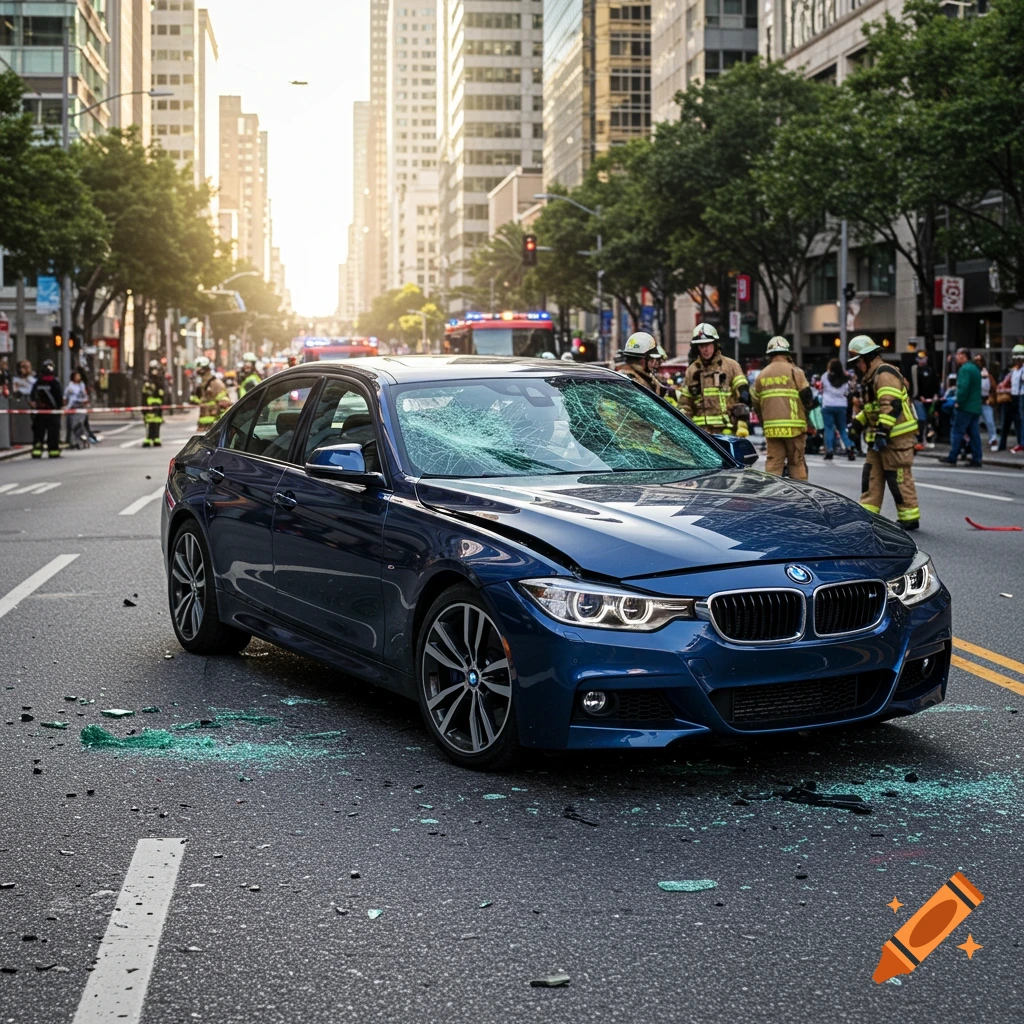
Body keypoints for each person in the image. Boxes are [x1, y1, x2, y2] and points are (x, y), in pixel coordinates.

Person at [848, 336, 920, 529]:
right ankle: (868, 515)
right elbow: (873, 408)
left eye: (858, 362)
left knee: (898, 477)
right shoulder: (873, 376)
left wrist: (883, 432)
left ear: (866, 358)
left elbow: (891, 405)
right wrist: (858, 424)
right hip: (881, 436)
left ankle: (909, 518)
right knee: (871, 475)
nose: (857, 367)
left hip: (896, 437)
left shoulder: (884, 373)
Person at [751, 336, 814, 479]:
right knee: (796, 463)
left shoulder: (761, 375)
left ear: (769, 355)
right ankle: (801, 496)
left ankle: (771, 496)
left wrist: (763, 421)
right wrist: (807, 418)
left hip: (772, 429)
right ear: (787, 354)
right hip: (794, 428)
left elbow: (755, 402)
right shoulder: (795, 371)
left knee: (773, 464)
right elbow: (807, 397)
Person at [680, 323, 750, 436]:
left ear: (715, 344)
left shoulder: (731, 366)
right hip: (701, 432)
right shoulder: (691, 370)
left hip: (727, 430)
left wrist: (742, 422)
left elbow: (743, 395)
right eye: (701, 346)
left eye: (708, 345)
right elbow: (685, 403)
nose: (705, 350)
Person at [942, 348, 983, 467]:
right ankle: (977, 458)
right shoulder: (975, 368)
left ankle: (953, 456)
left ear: (964, 355)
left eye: (958, 355)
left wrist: (958, 401)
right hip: (975, 406)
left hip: (965, 407)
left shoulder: (965, 369)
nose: (956, 357)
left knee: (957, 431)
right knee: (974, 434)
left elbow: (963, 388)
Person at [821, 358, 855, 461]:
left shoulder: (825, 377)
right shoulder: (845, 378)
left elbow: (822, 388)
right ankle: (849, 447)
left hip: (828, 405)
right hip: (841, 405)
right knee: (842, 429)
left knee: (829, 428)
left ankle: (829, 450)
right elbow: (846, 391)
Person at [618, 332, 670, 398]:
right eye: (651, 360)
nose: (654, 364)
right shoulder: (630, 381)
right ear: (642, 360)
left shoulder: (643, 377)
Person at [29, 359, 63, 459]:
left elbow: (32, 397)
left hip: (40, 413)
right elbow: (59, 398)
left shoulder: (38, 382)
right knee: (53, 433)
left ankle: (37, 451)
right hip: (53, 413)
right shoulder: (55, 383)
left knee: (38, 433)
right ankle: (53, 451)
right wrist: (59, 409)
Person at [189, 356, 232, 430]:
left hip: (214, 422)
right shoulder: (203, 384)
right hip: (205, 423)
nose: (196, 370)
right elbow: (203, 401)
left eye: (198, 368)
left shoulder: (215, 383)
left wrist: (221, 422)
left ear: (203, 369)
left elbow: (224, 403)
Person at [996, 344, 1024, 453]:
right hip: (1012, 398)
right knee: (1007, 424)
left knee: (1019, 422)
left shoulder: (1018, 370)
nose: (1017, 361)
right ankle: (1003, 445)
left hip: (1018, 397)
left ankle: (1021, 443)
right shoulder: (1013, 371)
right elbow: (1004, 383)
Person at [909, 349, 938, 449]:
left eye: (924, 358)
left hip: (930, 399)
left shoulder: (930, 370)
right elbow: (913, 384)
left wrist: (935, 394)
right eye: (920, 358)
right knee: (921, 419)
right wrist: (917, 395)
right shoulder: (914, 370)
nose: (922, 361)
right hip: (918, 399)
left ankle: (926, 438)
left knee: (929, 419)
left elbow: (935, 383)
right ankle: (920, 439)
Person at [974, 355, 998, 452]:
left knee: (990, 421)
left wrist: (991, 397)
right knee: (974, 423)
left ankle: (993, 439)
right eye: (977, 361)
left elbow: (993, 386)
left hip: (985, 400)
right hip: (975, 401)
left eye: (980, 361)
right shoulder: (973, 372)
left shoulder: (987, 374)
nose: (979, 363)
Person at [142, 359, 167, 447]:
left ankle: (156, 438)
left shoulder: (160, 380)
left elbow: (162, 393)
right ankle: (148, 439)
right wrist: (143, 407)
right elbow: (144, 394)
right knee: (148, 423)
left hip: (157, 406)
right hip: (148, 406)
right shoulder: (147, 380)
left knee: (157, 422)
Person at [63, 370, 90, 448]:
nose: (78, 377)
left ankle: (82, 440)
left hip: (80, 407)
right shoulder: (70, 387)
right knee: (72, 426)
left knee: (81, 425)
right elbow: (65, 397)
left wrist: (86, 403)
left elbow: (85, 396)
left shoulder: (81, 386)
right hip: (72, 407)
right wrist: (65, 405)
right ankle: (72, 441)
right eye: (77, 375)